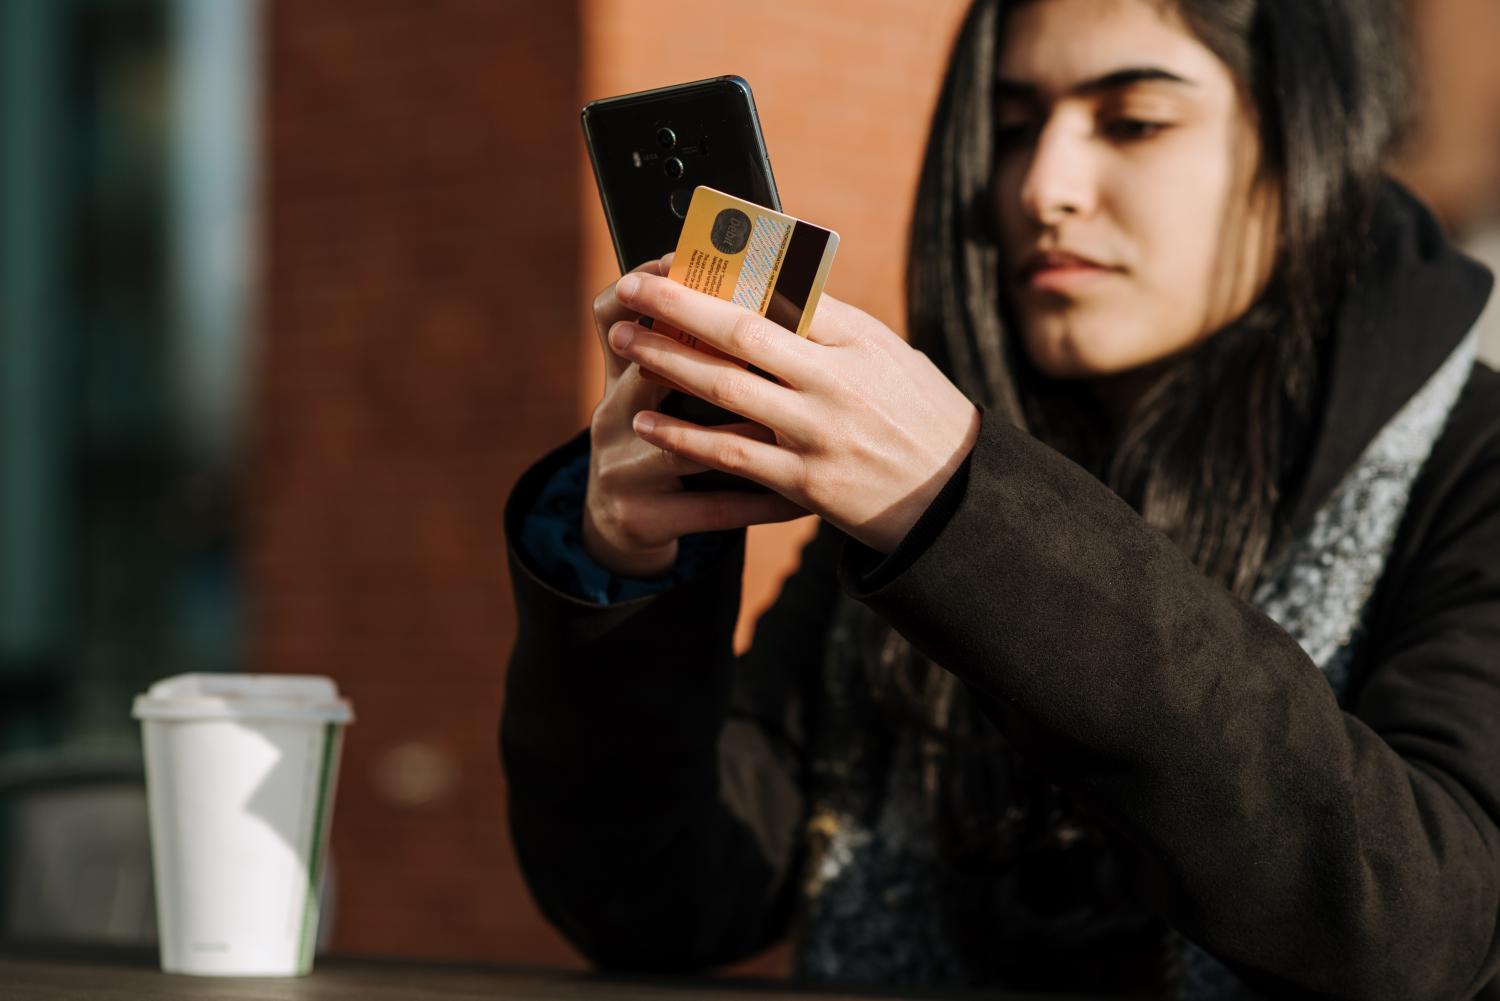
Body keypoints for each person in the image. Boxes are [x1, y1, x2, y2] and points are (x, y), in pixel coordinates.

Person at [501, 0, 1500, 996]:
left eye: (1134, 122)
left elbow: (1424, 929)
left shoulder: (1472, 462)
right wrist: (624, 564)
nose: (1044, 187)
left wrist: (965, 505)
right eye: (1012, 127)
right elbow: (658, 902)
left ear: (1302, 139)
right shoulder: (901, 487)